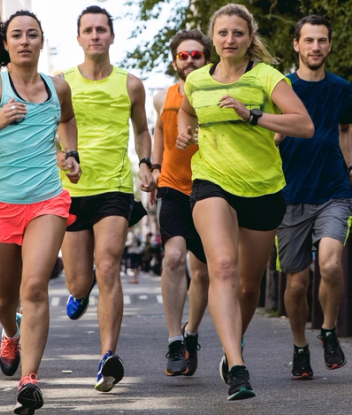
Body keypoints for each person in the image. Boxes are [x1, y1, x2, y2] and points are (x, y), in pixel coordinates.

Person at [176, 4, 313, 400]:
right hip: (211, 181)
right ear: (213, 37)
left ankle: (232, 343)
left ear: (250, 37)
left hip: (263, 188)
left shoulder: (267, 77)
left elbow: (304, 125)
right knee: (222, 266)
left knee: (248, 288)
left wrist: (252, 115)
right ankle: (238, 368)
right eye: (223, 33)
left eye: (238, 33)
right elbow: (186, 111)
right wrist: (185, 132)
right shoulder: (196, 80)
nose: (230, 39)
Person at [0, 10, 81, 414]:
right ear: (6, 44)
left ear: (42, 42)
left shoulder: (58, 87)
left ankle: (29, 379)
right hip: (0, 203)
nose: (25, 41)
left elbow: (68, 120)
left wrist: (71, 154)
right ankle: (10, 333)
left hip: (47, 200)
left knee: (35, 287)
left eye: (32, 34)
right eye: (17, 35)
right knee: (4, 297)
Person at [58, 5, 155, 393]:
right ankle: (80, 293)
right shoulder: (60, 82)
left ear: (112, 36)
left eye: (102, 29)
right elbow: (48, 130)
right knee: (79, 281)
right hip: (71, 189)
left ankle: (107, 358)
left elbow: (142, 131)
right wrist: (61, 157)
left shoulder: (130, 84)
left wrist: (145, 163)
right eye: (89, 30)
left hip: (114, 187)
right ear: (79, 38)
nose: (95, 35)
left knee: (109, 265)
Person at [275, 14, 352, 380]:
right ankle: (300, 346)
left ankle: (328, 330)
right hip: (290, 196)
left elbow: (345, 130)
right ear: (296, 44)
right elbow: (269, 134)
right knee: (296, 284)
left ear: (329, 45)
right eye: (309, 40)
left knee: (329, 265)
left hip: (333, 191)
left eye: (322, 40)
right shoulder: (281, 87)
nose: (316, 47)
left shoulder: (342, 88)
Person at [150, 29, 213, 378]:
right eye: (183, 56)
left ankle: (191, 333)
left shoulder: (219, 94)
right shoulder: (163, 97)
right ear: (175, 61)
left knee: (201, 271)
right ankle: (175, 339)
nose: (190, 60)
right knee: (173, 257)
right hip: (172, 187)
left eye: (196, 55)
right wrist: (154, 168)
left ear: (207, 59)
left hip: (210, 188)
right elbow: (160, 132)